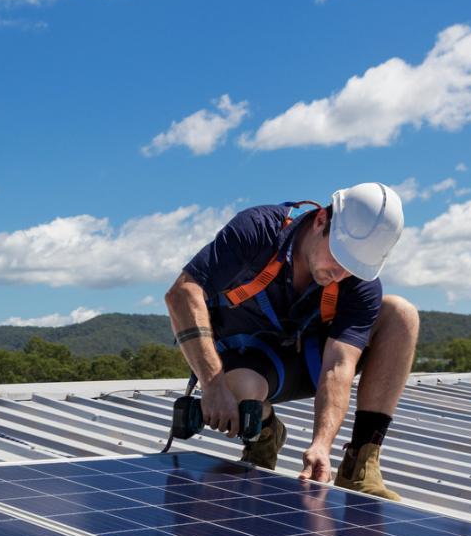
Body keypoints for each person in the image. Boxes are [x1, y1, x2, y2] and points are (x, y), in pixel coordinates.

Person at [163, 183, 419, 500]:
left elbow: (339, 365)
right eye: (338, 258)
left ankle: (360, 464)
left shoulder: (358, 284)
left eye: (352, 268)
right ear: (321, 220)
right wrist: (212, 384)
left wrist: (321, 445)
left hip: (310, 360)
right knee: (244, 393)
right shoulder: (257, 230)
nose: (339, 274)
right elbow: (182, 293)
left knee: (400, 314)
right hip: (247, 358)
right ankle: (267, 430)